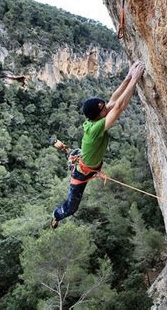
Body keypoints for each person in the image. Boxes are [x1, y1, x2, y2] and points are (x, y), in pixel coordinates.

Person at [51, 61, 146, 229]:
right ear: (98, 115)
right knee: (72, 207)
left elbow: (113, 101)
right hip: (82, 173)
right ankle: (56, 215)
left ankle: (63, 148)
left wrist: (129, 76)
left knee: (72, 151)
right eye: (103, 110)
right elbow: (119, 107)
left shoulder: (96, 118)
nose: (106, 109)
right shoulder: (95, 129)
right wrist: (135, 80)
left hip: (87, 159)